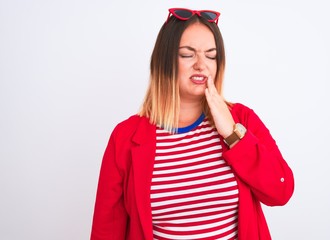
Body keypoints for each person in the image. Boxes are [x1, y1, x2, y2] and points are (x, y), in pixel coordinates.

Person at [90, 8, 294, 240]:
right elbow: (106, 230)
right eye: (187, 54)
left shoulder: (241, 120)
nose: (201, 64)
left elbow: (281, 190)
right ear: (164, 60)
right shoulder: (125, 137)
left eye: (211, 55)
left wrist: (233, 135)